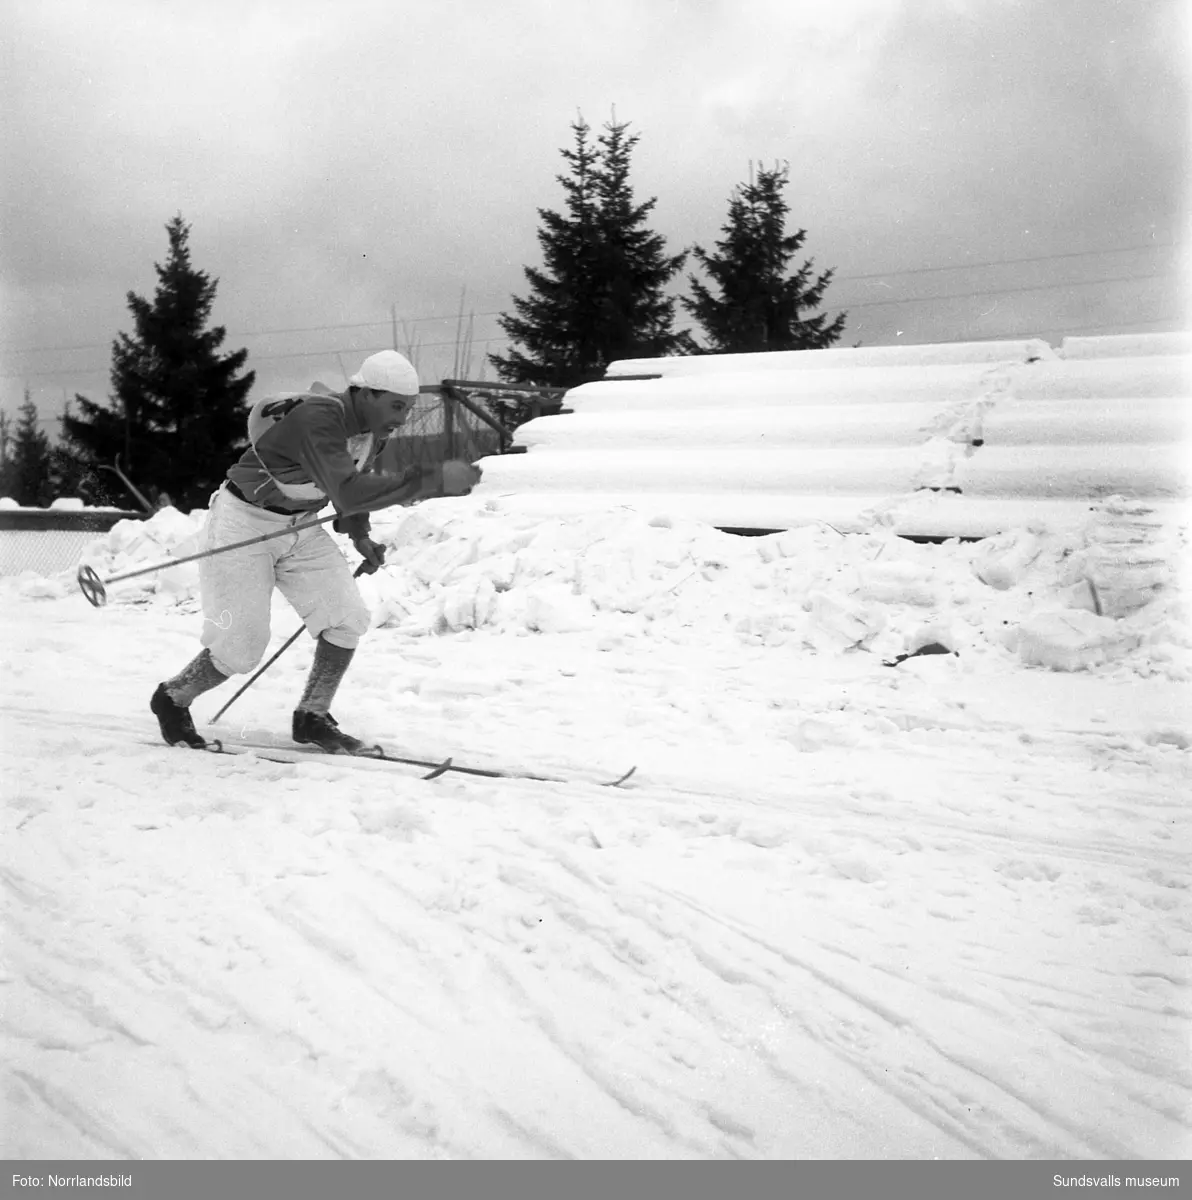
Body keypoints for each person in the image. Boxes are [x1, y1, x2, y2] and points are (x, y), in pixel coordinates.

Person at [150, 350, 481, 754]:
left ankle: (313, 715)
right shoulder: (320, 419)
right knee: (241, 645)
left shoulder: (373, 433)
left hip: (300, 524)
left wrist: (359, 533)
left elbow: (348, 485)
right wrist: (432, 478)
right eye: (396, 406)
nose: (403, 417)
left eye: (408, 408)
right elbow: (348, 489)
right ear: (365, 395)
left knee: (346, 618)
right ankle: (173, 697)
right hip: (243, 520)